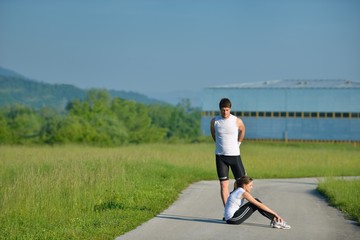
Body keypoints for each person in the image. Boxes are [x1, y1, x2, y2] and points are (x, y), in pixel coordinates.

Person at [210, 98, 246, 206]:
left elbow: (243, 130)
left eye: (227, 110)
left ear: (230, 109)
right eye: (223, 110)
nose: (225, 112)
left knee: (242, 184)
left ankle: (237, 207)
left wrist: (239, 143)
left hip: (234, 156)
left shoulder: (237, 121)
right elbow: (213, 133)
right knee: (223, 185)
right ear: (220, 110)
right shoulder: (215, 121)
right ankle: (227, 211)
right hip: (221, 157)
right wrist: (218, 144)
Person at [224, 176, 291, 229]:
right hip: (233, 219)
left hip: (231, 218)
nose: (252, 187)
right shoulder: (243, 193)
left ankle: (275, 220)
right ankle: (276, 221)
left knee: (255, 202)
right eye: (250, 185)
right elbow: (259, 205)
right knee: (255, 203)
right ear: (244, 185)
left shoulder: (238, 190)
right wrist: (275, 213)